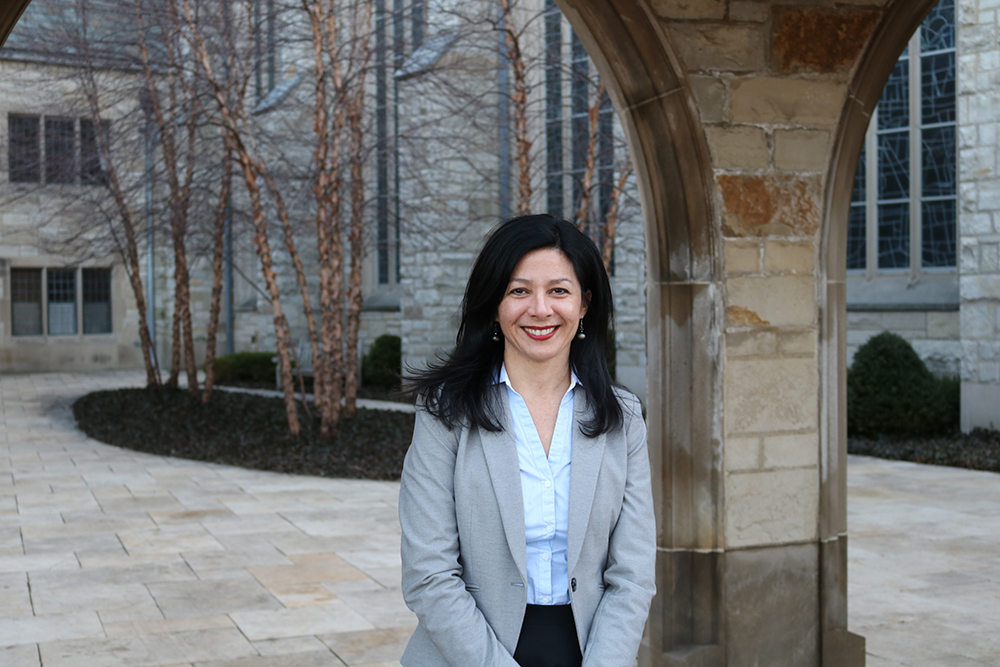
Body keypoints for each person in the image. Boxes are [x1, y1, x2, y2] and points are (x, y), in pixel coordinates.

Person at [399, 214, 656, 667]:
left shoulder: (623, 418)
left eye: (559, 290)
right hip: (469, 654)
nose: (540, 309)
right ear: (495, 305)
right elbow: (429, 574)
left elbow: (633, 576)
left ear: (584, 304)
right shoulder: (444, 412)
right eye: (519, 291)